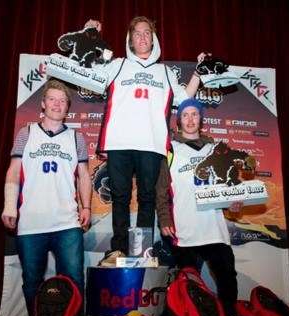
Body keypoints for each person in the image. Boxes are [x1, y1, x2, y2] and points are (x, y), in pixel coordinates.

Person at [82, 17, 205, 263]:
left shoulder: (165, 72)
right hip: (119, 143)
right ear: (130, 39)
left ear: (154, 38)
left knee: (147, 197)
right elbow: (88, 74)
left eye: (146, 33)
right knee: (120, 196)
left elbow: (184, 99)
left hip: (151, 144)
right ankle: (118, 249)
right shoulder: (117, 65)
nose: (142, 37)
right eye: (137, 33)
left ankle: (141, 250)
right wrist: (88, 37)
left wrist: (199, 72)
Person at [1, 79, 92, 316]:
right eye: (52, 99)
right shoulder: (26, 133)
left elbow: (84, 175)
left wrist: (86, 206)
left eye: (62, 101)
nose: (57, 104)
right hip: (31, 223)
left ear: (67, 108)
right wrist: (9, 205)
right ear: (43, 104)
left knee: (74, 281)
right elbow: (14, 170)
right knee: (32, 283)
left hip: (67, 223)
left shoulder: (77, 137)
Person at [155, 98, 243, 316]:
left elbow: (228, 181)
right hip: (185, 230)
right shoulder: (170, 150)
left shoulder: (216, 148)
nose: (191, 119)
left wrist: (235, 199)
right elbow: (162, 190)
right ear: (179, 120)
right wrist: (164, 220)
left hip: (214, 228)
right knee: (186, 284)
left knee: (227, 276)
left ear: (201, 120)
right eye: (186, 115)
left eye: (195, 114)